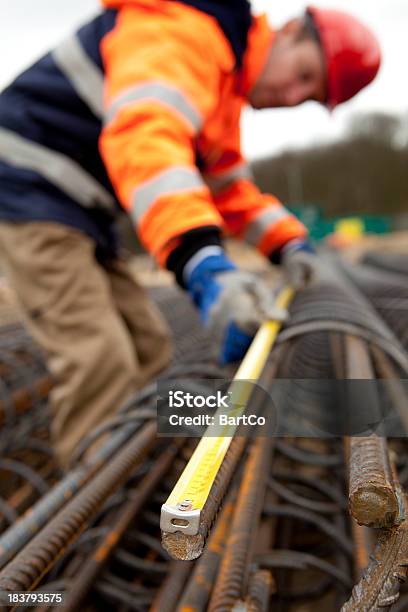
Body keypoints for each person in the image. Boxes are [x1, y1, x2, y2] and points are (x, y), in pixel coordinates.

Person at [0, 0, 381, 467]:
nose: (290, 95)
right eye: (302, 75)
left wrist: (288, 243)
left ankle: (138, 469)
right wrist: (200, 258)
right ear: (290, 32)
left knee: (150, 347)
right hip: (28, 189)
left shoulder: (222, 83)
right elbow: (147, 140)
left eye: (306, 97)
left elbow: (227, 190)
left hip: (78, 208)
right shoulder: (182, 32)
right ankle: (92, 504)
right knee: (99, 359)